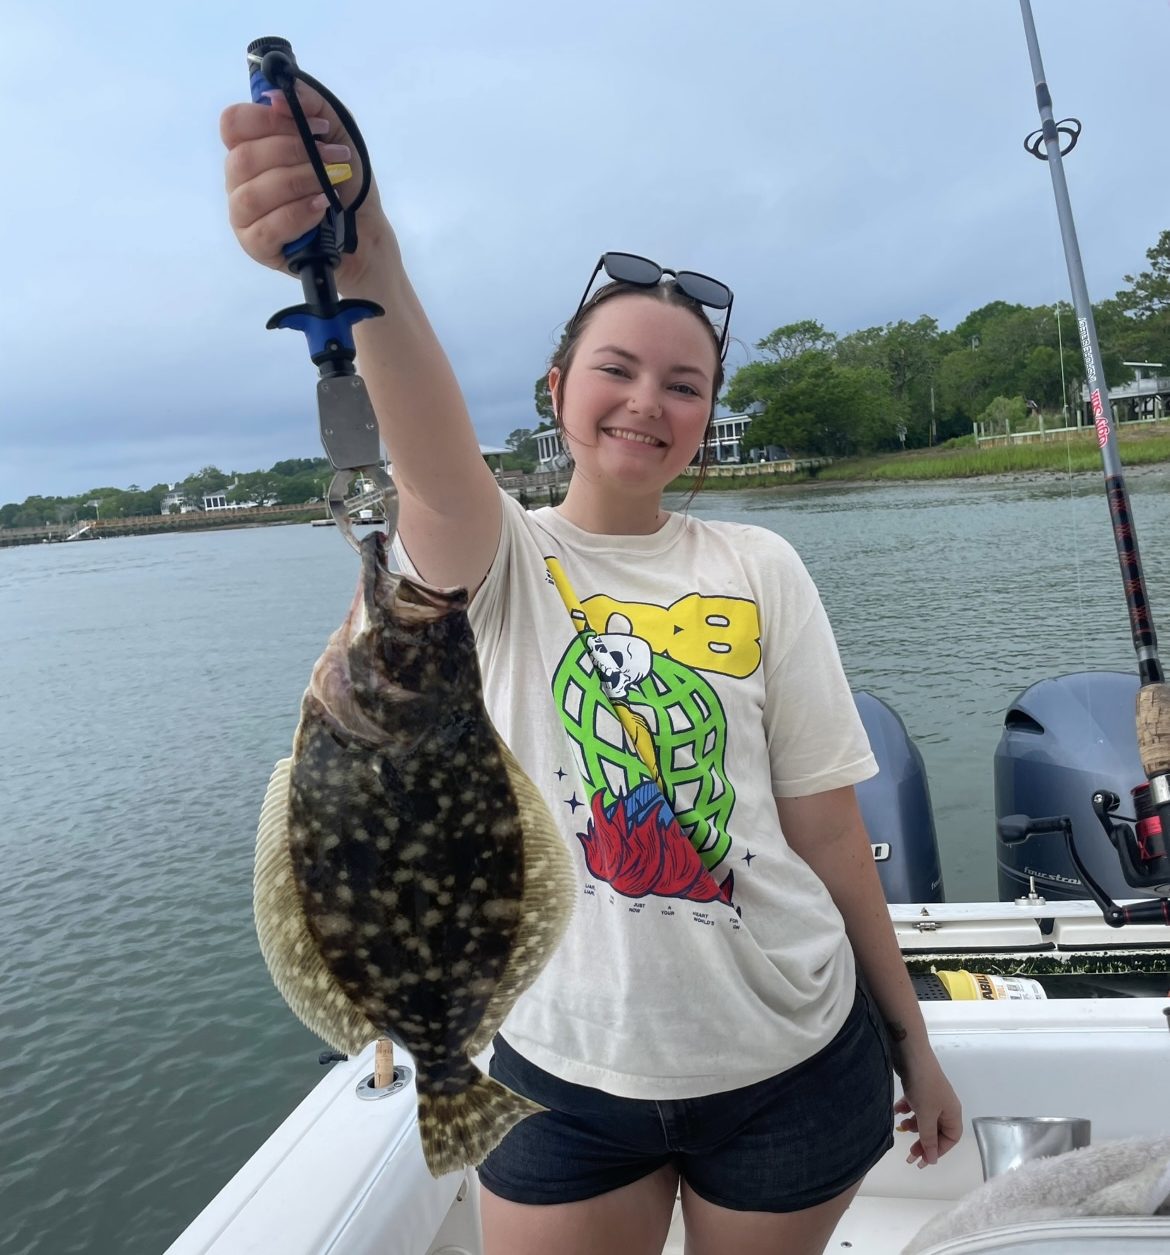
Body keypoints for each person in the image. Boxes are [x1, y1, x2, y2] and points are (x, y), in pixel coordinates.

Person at [221, 82, 962, 1255]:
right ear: (557, 388)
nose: (648, 402)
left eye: (687, 384)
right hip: (557, 1072)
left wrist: (913, 1036)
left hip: (792, 1056)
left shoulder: (761, 564)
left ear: (710, 415)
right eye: (616, 368)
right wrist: (372, 266)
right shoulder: (503, 556)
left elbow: (826, 832)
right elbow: (433, 468)